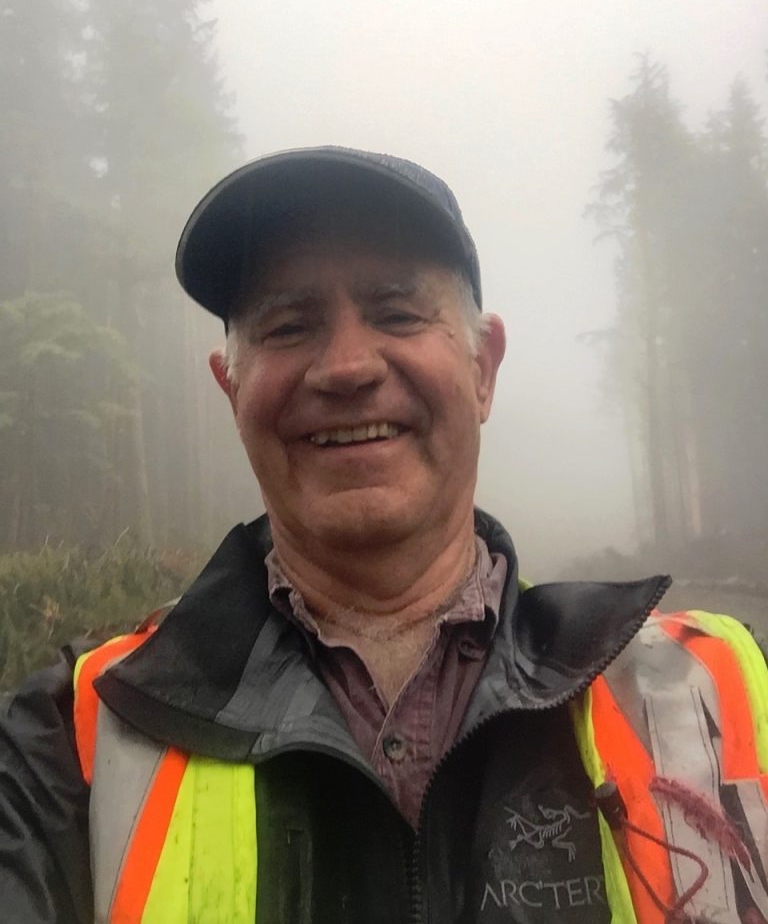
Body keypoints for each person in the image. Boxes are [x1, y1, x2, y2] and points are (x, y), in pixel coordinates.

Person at [1, 147, 766, 923]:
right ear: (231, 391)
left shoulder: (726, 692)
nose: (345, 367)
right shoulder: (68, 745)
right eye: (289, 325)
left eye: (398, 313)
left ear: (484, 368)